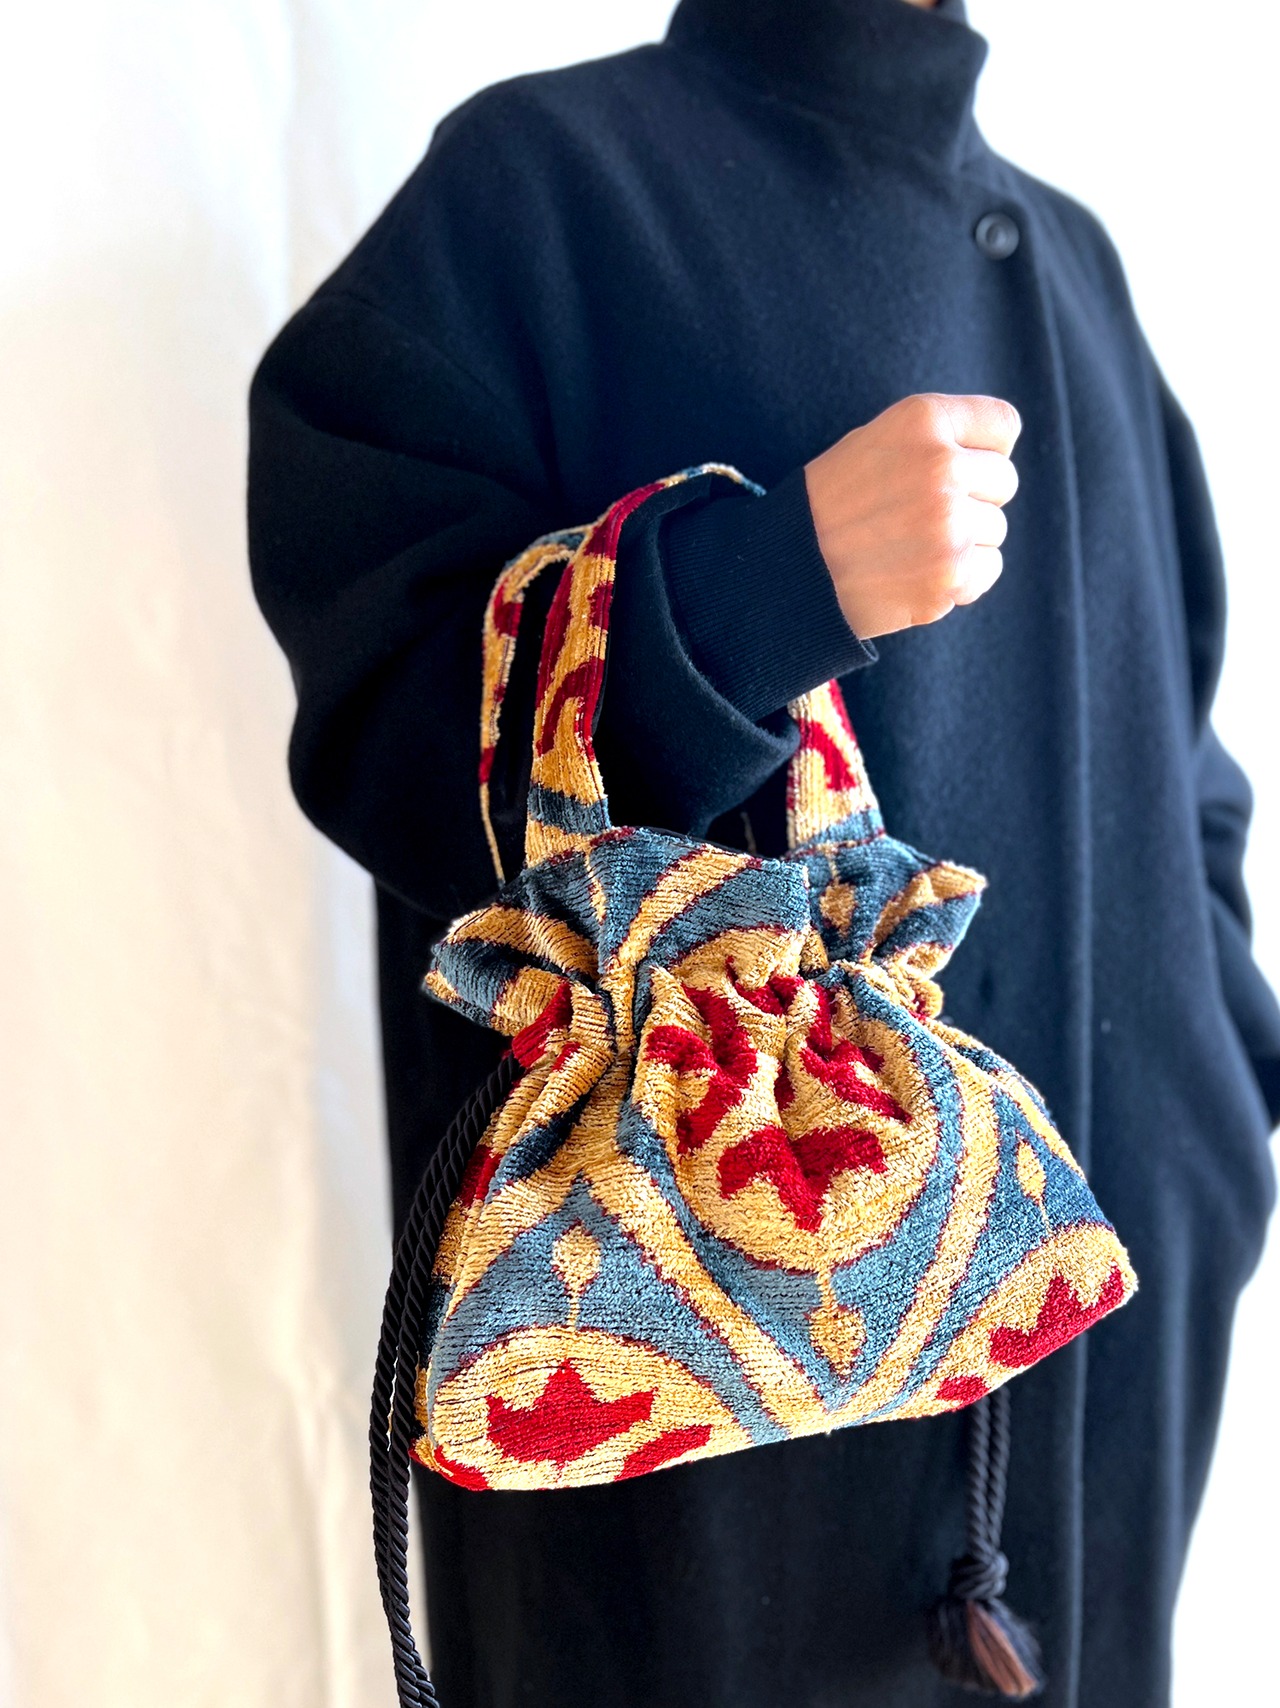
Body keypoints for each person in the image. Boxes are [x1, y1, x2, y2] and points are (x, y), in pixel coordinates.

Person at [246, 1, 1280, 1703]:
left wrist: (1215, 1097)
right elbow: (389, 717)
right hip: (711, 1444)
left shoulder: (1077, 261)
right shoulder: (546, 191)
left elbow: (1186, 764)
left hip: (1110, 1339)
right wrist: (765, 584)